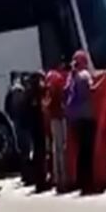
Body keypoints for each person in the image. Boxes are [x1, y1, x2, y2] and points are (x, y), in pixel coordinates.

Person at [66, 50, 97, 195]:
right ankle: (88, 183)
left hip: (76, 119)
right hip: (87, 117)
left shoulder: (71, 77)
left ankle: (81, 182)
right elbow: (92, 90)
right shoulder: (84, 75)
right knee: (88, 151)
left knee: (81, 151)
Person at [44, 58, 71, 192]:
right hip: (61, 116)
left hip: (53, 117)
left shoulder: (49, 78)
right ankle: (64, 179)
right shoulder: (59, 78)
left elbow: (48, 99)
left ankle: (57, 178)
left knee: (56, 148)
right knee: (62, 148)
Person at [4, 72, 32, 186]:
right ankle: (28, 175)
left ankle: (26, 174)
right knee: (26, 149)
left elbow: (7, 108)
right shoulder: (18, 90)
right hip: (23, 123)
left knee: (22, 149)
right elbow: (22, 107)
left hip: (17, 123)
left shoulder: (11, 91)